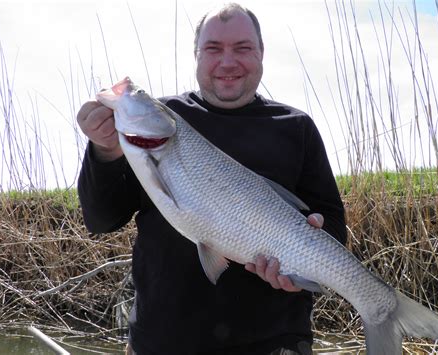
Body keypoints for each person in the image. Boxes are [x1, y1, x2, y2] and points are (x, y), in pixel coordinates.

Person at [77, 3, 346, 355]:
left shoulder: (296, 128)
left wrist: (300, 271)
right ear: (197, 55)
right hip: (161, 343)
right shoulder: (162, 123)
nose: (228, 62)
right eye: (214, 49)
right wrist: (105, 150)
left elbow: (333, 229)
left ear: (261, 53)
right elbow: (100, 220)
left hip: (274, 344)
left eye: (243, 48)